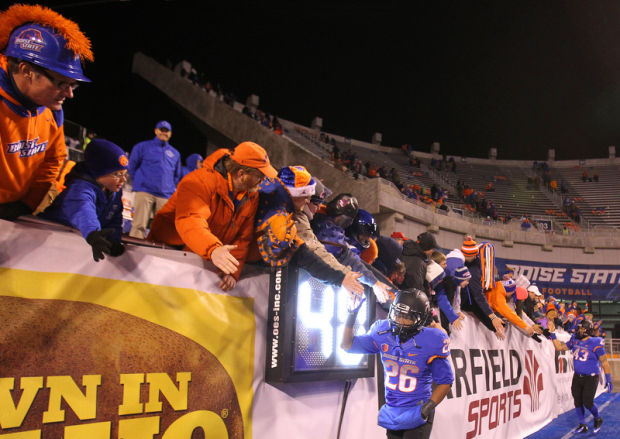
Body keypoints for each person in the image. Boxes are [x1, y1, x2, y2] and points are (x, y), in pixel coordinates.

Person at [0, 4, 93, 220]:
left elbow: (53, 158)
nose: (69, 94)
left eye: (73, 85)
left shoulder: (51, 111)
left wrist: (26, 203)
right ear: (27, 71)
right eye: (61, 83)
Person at [148, 141, 277, 291]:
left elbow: (243, 237)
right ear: (241, 174)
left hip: (202, 257)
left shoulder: (251, 195)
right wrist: (213, 249)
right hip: (167, 254)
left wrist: (232, 271)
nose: (263, 180)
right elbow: (191, 220)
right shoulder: (199, 181)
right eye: (259, 175)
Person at [341, 289, 454, 439]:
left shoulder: (431, 340)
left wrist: (427, 408)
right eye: (397, 314)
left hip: (417, 409)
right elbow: (347, 345)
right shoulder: (382, 331)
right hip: (393, 410)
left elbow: (445, 382)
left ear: (420, 318)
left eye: (407, 317)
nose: (400, 320)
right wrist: (351, 315)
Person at [40, 139, 127, 262]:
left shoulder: (114, 192)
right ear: (99, 171)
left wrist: (112, 240)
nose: (123, 180)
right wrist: (93, 233)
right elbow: (83, 210)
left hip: (71, 249)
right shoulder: (80, 188)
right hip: (47, 243)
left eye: (125, 174)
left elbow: (114, 219)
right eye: (117, 174)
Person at [547, 319, 613, 434]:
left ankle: (598, 417)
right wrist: (552, 333)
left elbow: (604, 362)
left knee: (588, 402)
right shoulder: (575, 340)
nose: (579, 330)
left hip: (591, 377)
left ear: (588, 330)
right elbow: (559, 348)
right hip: (577, 376)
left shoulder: (596, 342)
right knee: (577, 400)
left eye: (582, 328)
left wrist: (608, 379)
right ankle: (583, 424)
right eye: (579, 328)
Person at [128, 120, 182, 238]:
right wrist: (139, 182)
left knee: (162, 229)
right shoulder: (142, 146)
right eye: (161, 130)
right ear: (156, 131)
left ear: (170, 133)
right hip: (145, 191)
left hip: (165, 195)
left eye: (166, 131)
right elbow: (132, 166)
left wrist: (171, 188)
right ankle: (134, 250)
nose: (164, 133)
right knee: (139, 225)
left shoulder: (175, 153)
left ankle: (158, 253)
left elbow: (177, 175)